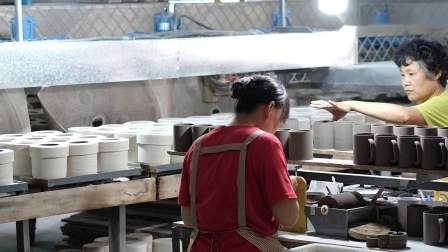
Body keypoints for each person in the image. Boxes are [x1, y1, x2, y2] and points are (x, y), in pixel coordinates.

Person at [178, 75, 299, 252]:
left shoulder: (198, 147)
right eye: (279, 120)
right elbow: (289, 217)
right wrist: (288, 188)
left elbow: (189, 219)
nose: (276, 128)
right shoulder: (266, 143)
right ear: (270, 108)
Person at [310, 38, 448, 127]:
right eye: (402, 75)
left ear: (436, 73)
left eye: (411, 74)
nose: (405, 82)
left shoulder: (444, 102)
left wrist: (350, 104)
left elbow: (405, 115)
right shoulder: (432, 105)